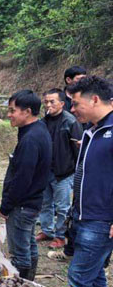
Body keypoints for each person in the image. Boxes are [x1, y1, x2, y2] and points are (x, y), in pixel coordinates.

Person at [65, 76, 113, 287]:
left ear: (94, 99)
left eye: (75, 103)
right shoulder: (92, 130)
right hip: (85, 216)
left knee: (79, 276)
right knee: (95, 275)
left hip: (101, 219)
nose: (72, 109)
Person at [0, 90, 52, 281]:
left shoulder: (30, 139)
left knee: (20, 253)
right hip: (32, 202)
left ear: (27, 111)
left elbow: (22, 179)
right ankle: (30, 282)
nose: (9, 115)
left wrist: (6, 207)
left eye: (13, 110)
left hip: (22, 205)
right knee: (29, 244)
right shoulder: (39, 130)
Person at [35, 89, 83, 249]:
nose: (48, 105)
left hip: (64, 173)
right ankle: (47, 230)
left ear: (62, 103)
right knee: (45, 203)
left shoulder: (71, 122)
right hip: (46, 171)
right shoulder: (43, 122)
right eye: (46, 101)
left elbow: (78, 150)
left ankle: (60, 236)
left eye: (52, 101)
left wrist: (77, 173)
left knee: (62, 207)